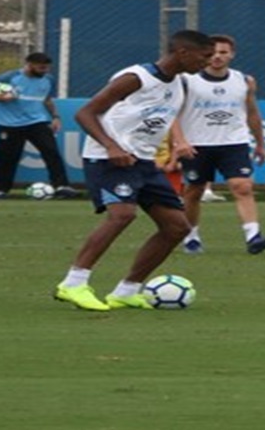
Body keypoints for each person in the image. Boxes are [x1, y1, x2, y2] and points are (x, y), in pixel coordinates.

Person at [52, 30, 215, 311]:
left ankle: (127, 291)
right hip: (108, 158)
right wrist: (112, 146)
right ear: (183, 53)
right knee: (122, 215)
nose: (208, 62)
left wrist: (176, 143)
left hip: (142, 161)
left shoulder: (180, 83)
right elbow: (85, 113)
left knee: (177, 228)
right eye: (205, 56)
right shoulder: (136, 77)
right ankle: (73, 283)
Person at [171, 34, 265, 256]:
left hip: (234, 142)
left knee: (243, 187)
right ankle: (191, 236)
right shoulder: (186, 80)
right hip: (197, 144)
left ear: (232, 54)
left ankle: (253, 237)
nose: (217, 57)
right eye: (213, 53)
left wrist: (260, 143)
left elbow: (252, 113)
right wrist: (179, 141)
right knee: (194, 191)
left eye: (223, 52)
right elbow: (172, 113)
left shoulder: (244, 80)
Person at [0, 52, 78, 199]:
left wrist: (55, 117)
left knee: (51, 152)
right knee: (7, 158)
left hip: (37, 121)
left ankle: (62, 186)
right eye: (41, 68)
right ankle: (0, 190)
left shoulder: (47, 79)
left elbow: (46, 99)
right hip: (10, 124)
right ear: (29, 65)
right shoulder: (10, 77)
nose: (45, 71)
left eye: (47, 68)